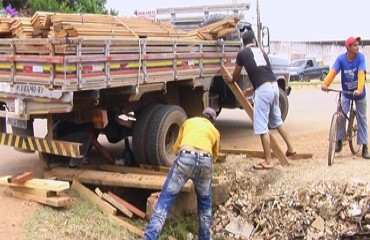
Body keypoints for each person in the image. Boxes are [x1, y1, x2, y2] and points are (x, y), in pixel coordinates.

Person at [144, 107, 220, 240]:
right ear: (213, 122)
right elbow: (214, 157)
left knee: (165, 200)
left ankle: (150, 237)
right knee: (205, 206)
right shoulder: (215, 131)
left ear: (201, 115)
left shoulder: (189, 122)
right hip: (205, 162)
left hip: (185, 157)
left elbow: (175, 149)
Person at [223, 30, 295, 170]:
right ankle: (291, 148)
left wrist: (231, 79)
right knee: (277, 121)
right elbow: (263, 73)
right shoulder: (262, 52)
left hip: (264, 90)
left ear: (243, 43)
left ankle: (268, 161)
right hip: (274, 87)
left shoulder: (242, 54)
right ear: (254, 40)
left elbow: (236, 74)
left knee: (262, 126)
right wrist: (252, 89)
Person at [321, 36, 370, 159]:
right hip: (346, 92)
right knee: (341, 115)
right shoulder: (341, 59)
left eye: (357, 44)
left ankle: (364, 146)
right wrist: (325, 84)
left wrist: (359, 89)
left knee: (362, 118)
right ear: (348, 47)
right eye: (354, 45)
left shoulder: (360, 57)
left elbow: (361, 73)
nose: (357, 46)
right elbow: (333, 72)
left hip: (359, 93)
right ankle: (338, 141)